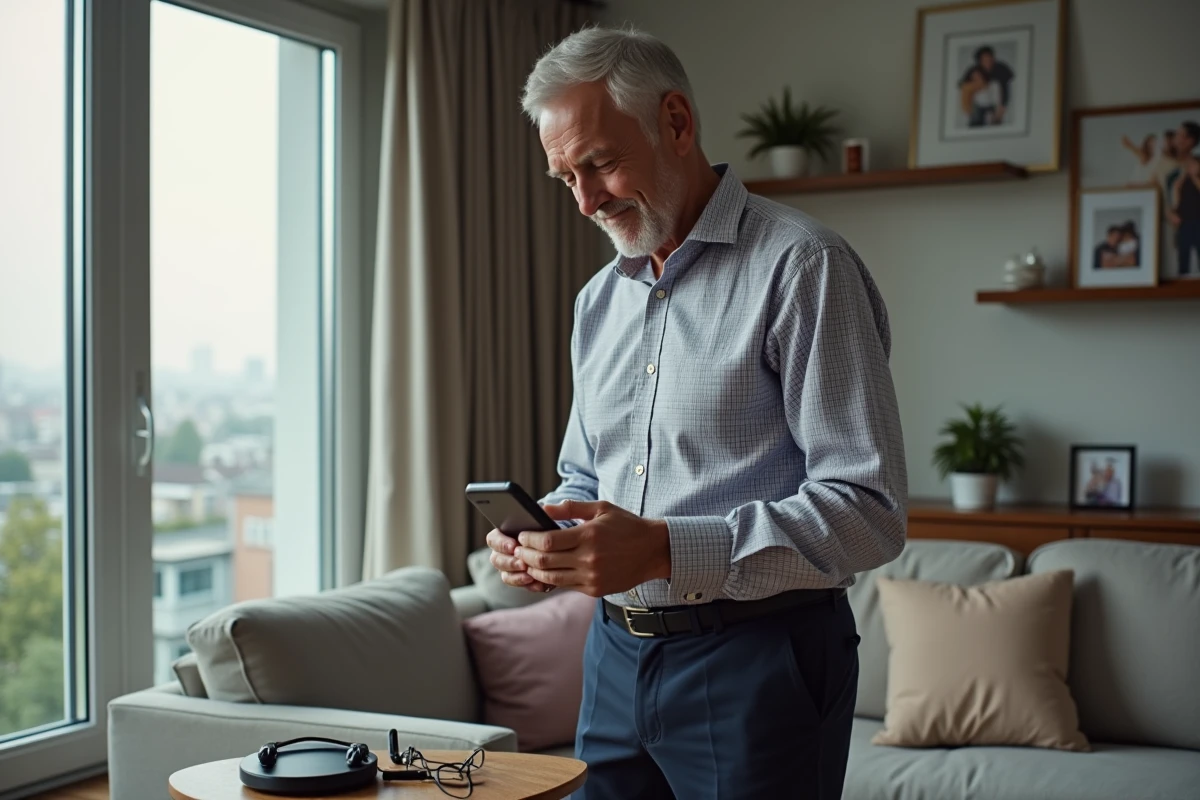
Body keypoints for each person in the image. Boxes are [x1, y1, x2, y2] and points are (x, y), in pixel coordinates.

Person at [489, 26, 907, 800]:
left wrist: (663, 550)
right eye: (564, 178)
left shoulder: (804, 268)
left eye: (600, 164)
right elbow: (586, 470)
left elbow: (869, 510)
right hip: (613, 657)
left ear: (676, 123)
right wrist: (546, 532)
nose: (584, 201)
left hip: (762, 662)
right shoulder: (596, 301)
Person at [1168, 125, 1200, 276]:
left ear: (1190, 141)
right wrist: (1171, 213)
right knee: (1183, 267)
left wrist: (1194, 176)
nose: (1175, 139)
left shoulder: (1197, 163)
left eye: (1180, 135)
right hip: (1182, 223)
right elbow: (1167, 199)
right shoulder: (1171, 168)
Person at [959, 45, 1014, 125]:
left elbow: (1006, 87)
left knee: (996, 124)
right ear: (979, 61)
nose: (988, 62)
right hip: (978, 103)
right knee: (975, 124)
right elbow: (962, 85)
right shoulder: (974, 70)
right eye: (984, 60)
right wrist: (975, 82)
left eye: (990, 58)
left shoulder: (1000, 68)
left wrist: (1002, 106)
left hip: (995, 103)